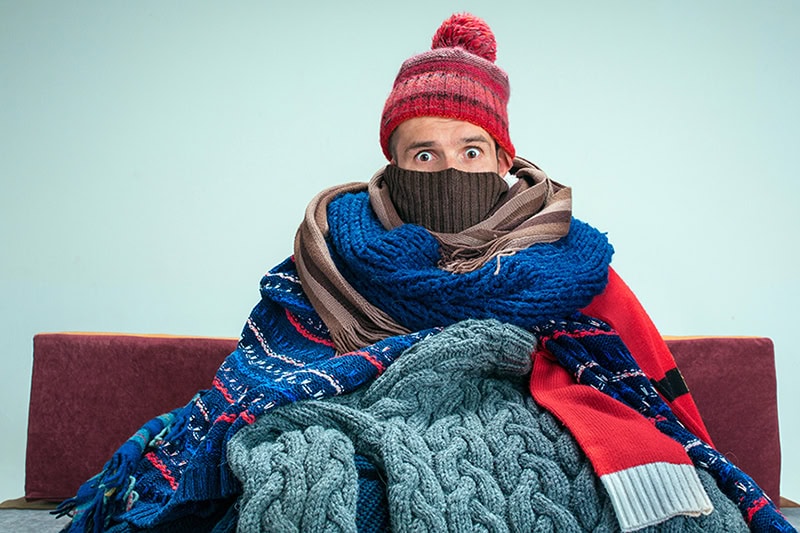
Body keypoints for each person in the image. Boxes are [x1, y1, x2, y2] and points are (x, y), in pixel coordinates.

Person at [57, 13, 793, 533]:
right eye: (424, 154)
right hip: (364, 427)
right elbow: (266, 377)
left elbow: (648, 389)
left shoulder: (569, 263)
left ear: (503, 160)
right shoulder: (328, 258)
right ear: (393, 164)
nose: (448, 170)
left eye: (471, 151)